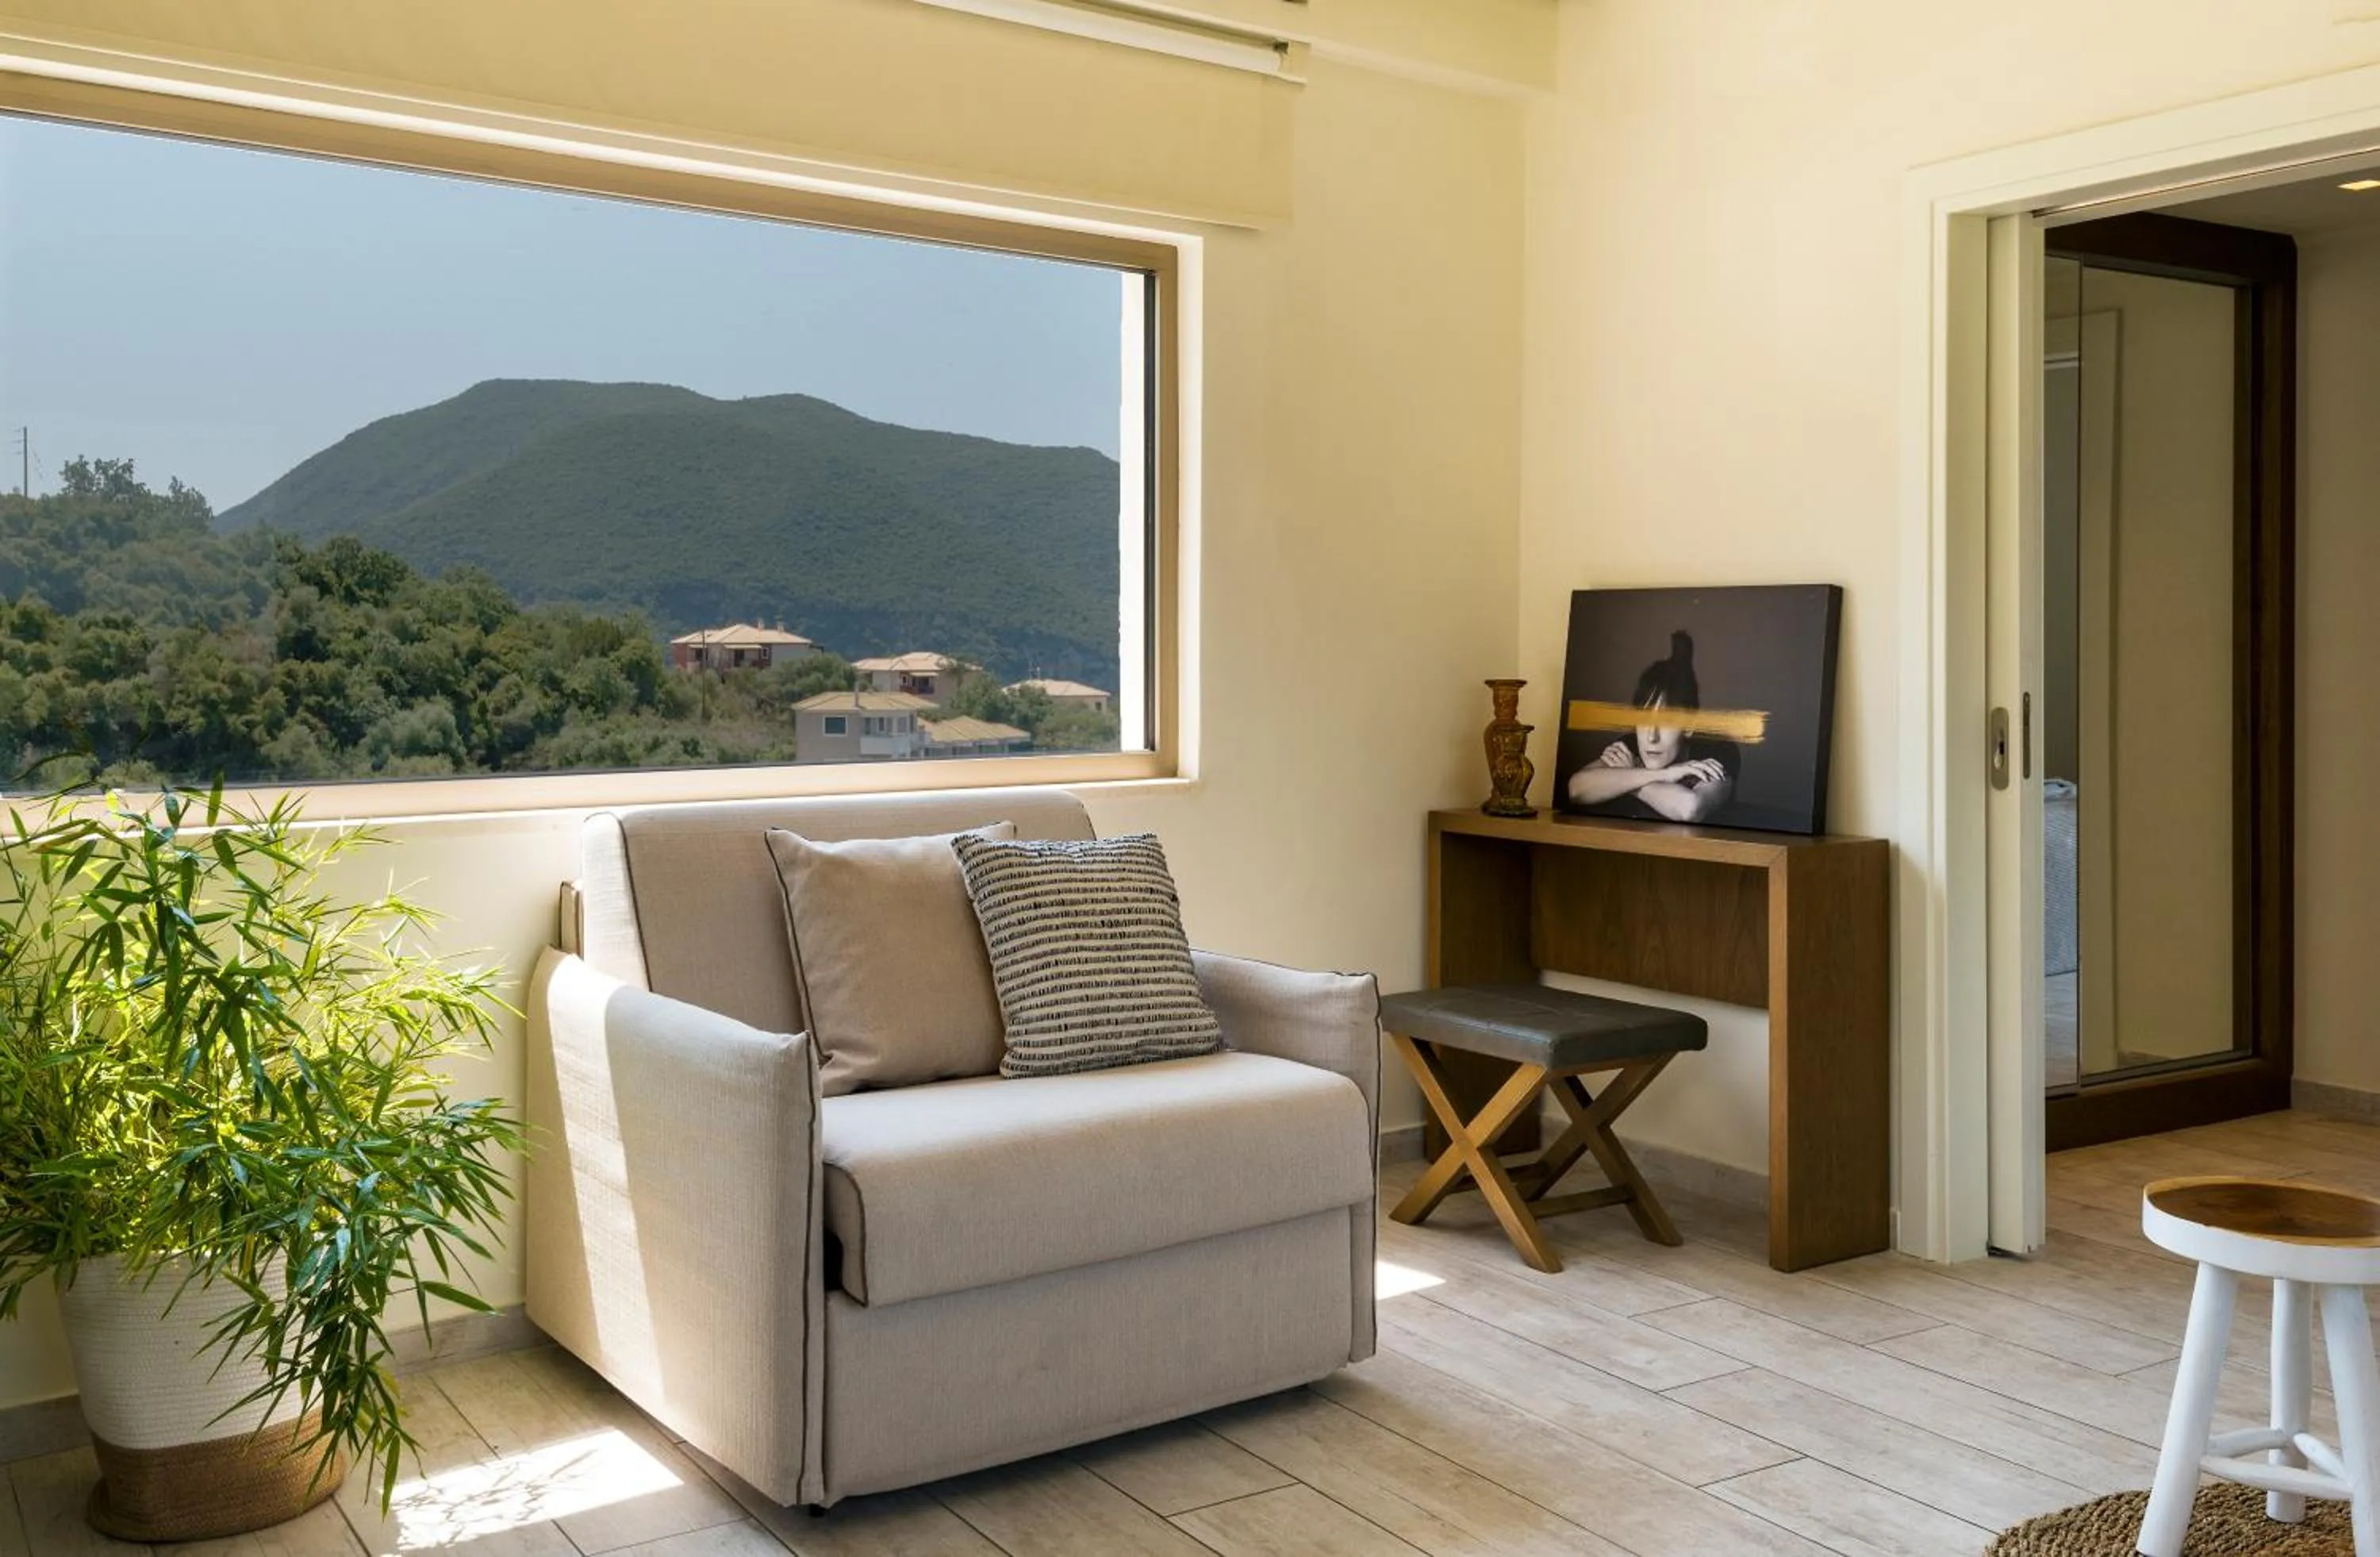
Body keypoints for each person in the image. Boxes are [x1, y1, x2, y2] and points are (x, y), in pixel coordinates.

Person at [1565, 630, 1737, 823]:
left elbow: (1690, 809)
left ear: (1688, 726)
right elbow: (1577, 789)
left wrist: (1627, 775)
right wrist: (1664, 775)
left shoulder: (1718, 751)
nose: (1651, 737)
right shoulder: (1633, 743)